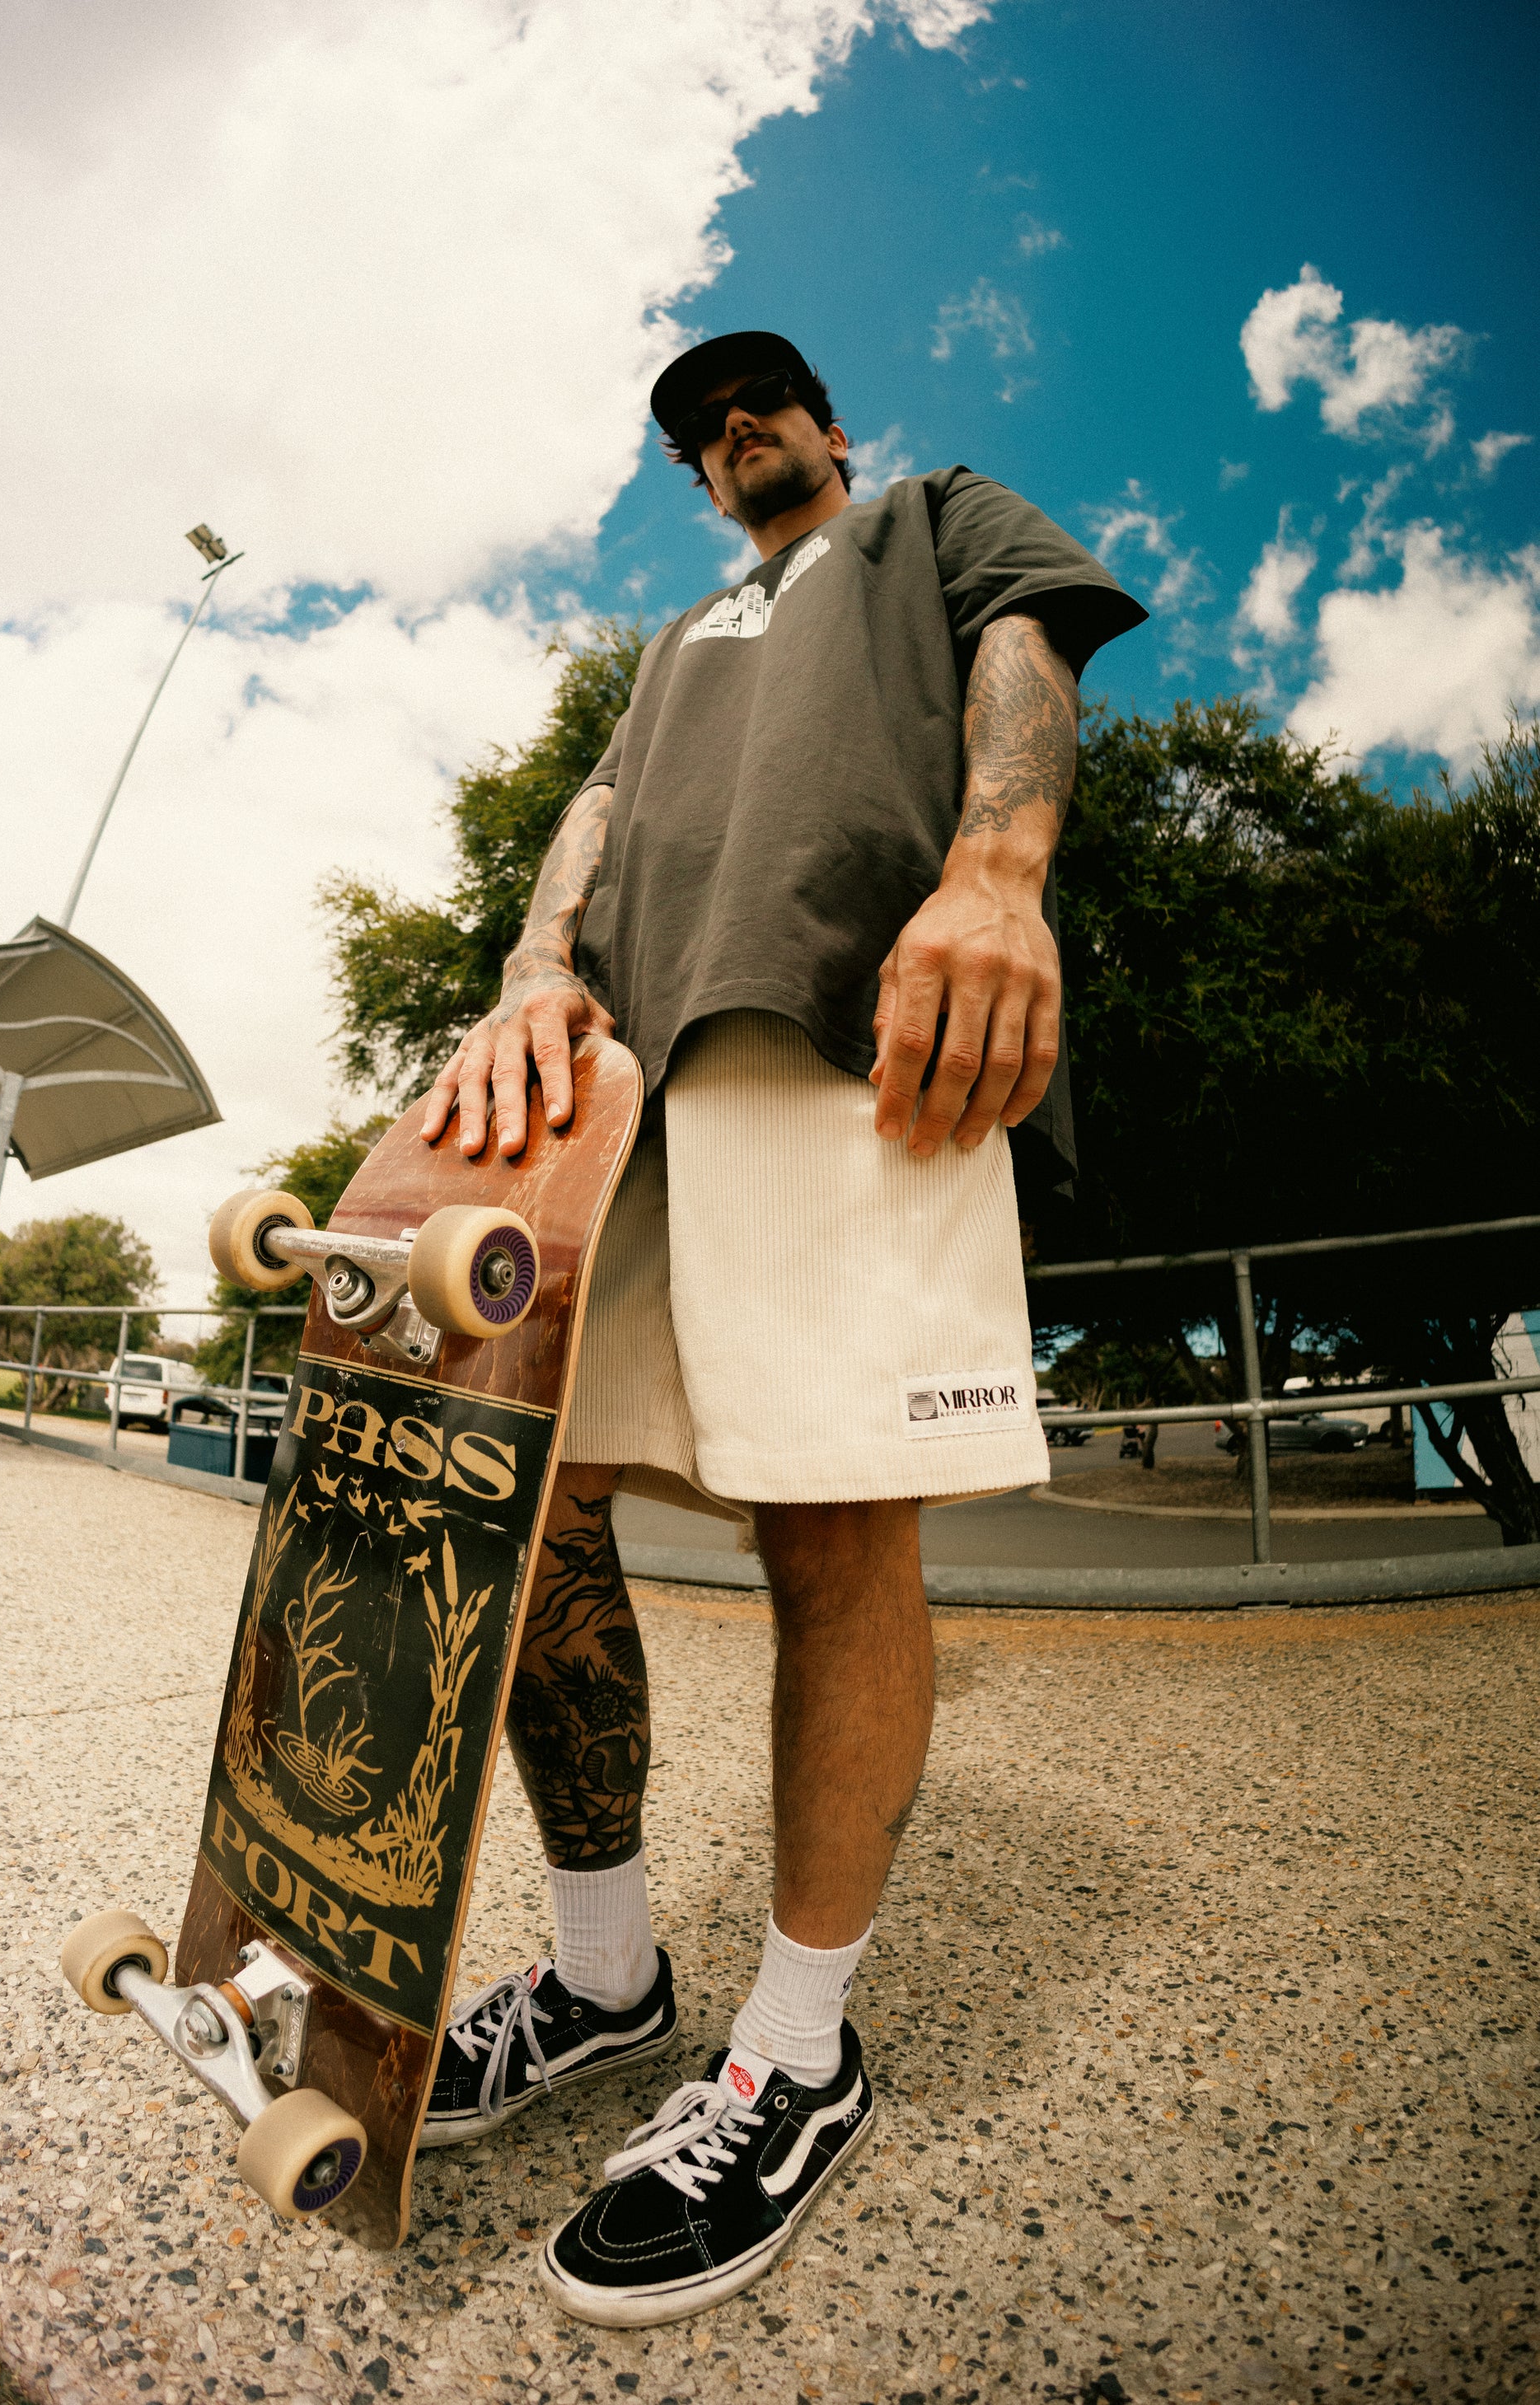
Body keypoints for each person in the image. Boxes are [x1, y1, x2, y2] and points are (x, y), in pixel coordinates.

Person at [414, 330, 1145, 2328]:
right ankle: (602, 1972)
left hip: (851, 1039)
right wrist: (538, 962)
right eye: (690, 426)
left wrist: (997, 868)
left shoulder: (930, 521)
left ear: (823, 423)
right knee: (530, 1494)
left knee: (833, 1534)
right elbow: (598, 801)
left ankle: (799, 2052)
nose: (727, 431)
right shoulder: (675, 643)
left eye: (757, 403)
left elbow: (1032, 652)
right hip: (624, 1095)